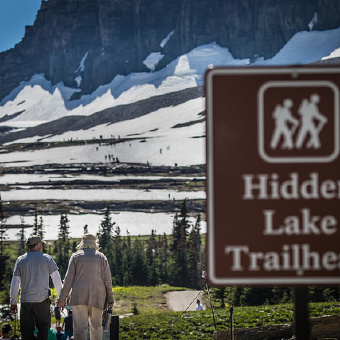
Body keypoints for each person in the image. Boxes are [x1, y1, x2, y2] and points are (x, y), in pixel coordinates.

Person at [57, 233, 114, 340]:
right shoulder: (101, 257)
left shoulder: (76, 256)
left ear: (83, 243)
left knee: (79, 329)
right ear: (94, 244)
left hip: (79, 297)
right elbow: (108, 280)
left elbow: (68, 279)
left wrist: (62, 298)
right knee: (96, 328)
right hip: (98, 297)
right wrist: (110, 298)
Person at [10, 235, 63, 340]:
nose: (42, 246)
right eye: (41, 244)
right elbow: (56, 279)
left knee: (26, 330)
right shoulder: (47, 259)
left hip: (25, 301)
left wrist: (13, 301)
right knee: (43, 328)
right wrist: (61, 297)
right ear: (38, 245)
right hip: (42, 301)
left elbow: (15, 282)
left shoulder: (20, 260)